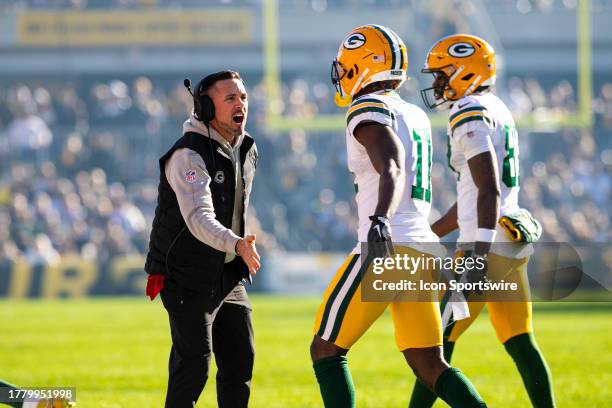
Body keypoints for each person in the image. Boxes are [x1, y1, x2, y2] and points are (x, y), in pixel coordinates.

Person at [310, 25, 487, 408]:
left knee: (326, 349)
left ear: (362, 65)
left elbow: (391, 165)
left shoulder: (368, 108)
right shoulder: (414, 114)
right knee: (429, 363)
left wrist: (380, 220)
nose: (341, 75)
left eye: (345, 67)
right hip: (422, 247)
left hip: (391, 247)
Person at [409, 34, 555, 407]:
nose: (438, 84)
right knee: (520, 340)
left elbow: (487, 189)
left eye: (443, 74)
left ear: (464, 72)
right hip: (507, 239)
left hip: (485, 246)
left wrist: (477, 254)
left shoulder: (468, 112)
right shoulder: (495, 107)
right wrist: (427, 232)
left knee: (433, 347)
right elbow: (473, 197)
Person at [144, 70, 260, 408]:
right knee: (193, 367)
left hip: (226, 271)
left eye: (243, 97)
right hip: (185, 274)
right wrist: (237, 243)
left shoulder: (247, 147)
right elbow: (199, 219)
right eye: (230, 98)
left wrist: (237, 248)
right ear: (205, 108)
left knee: (240, 363)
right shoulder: (187, 155)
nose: (241, 104)